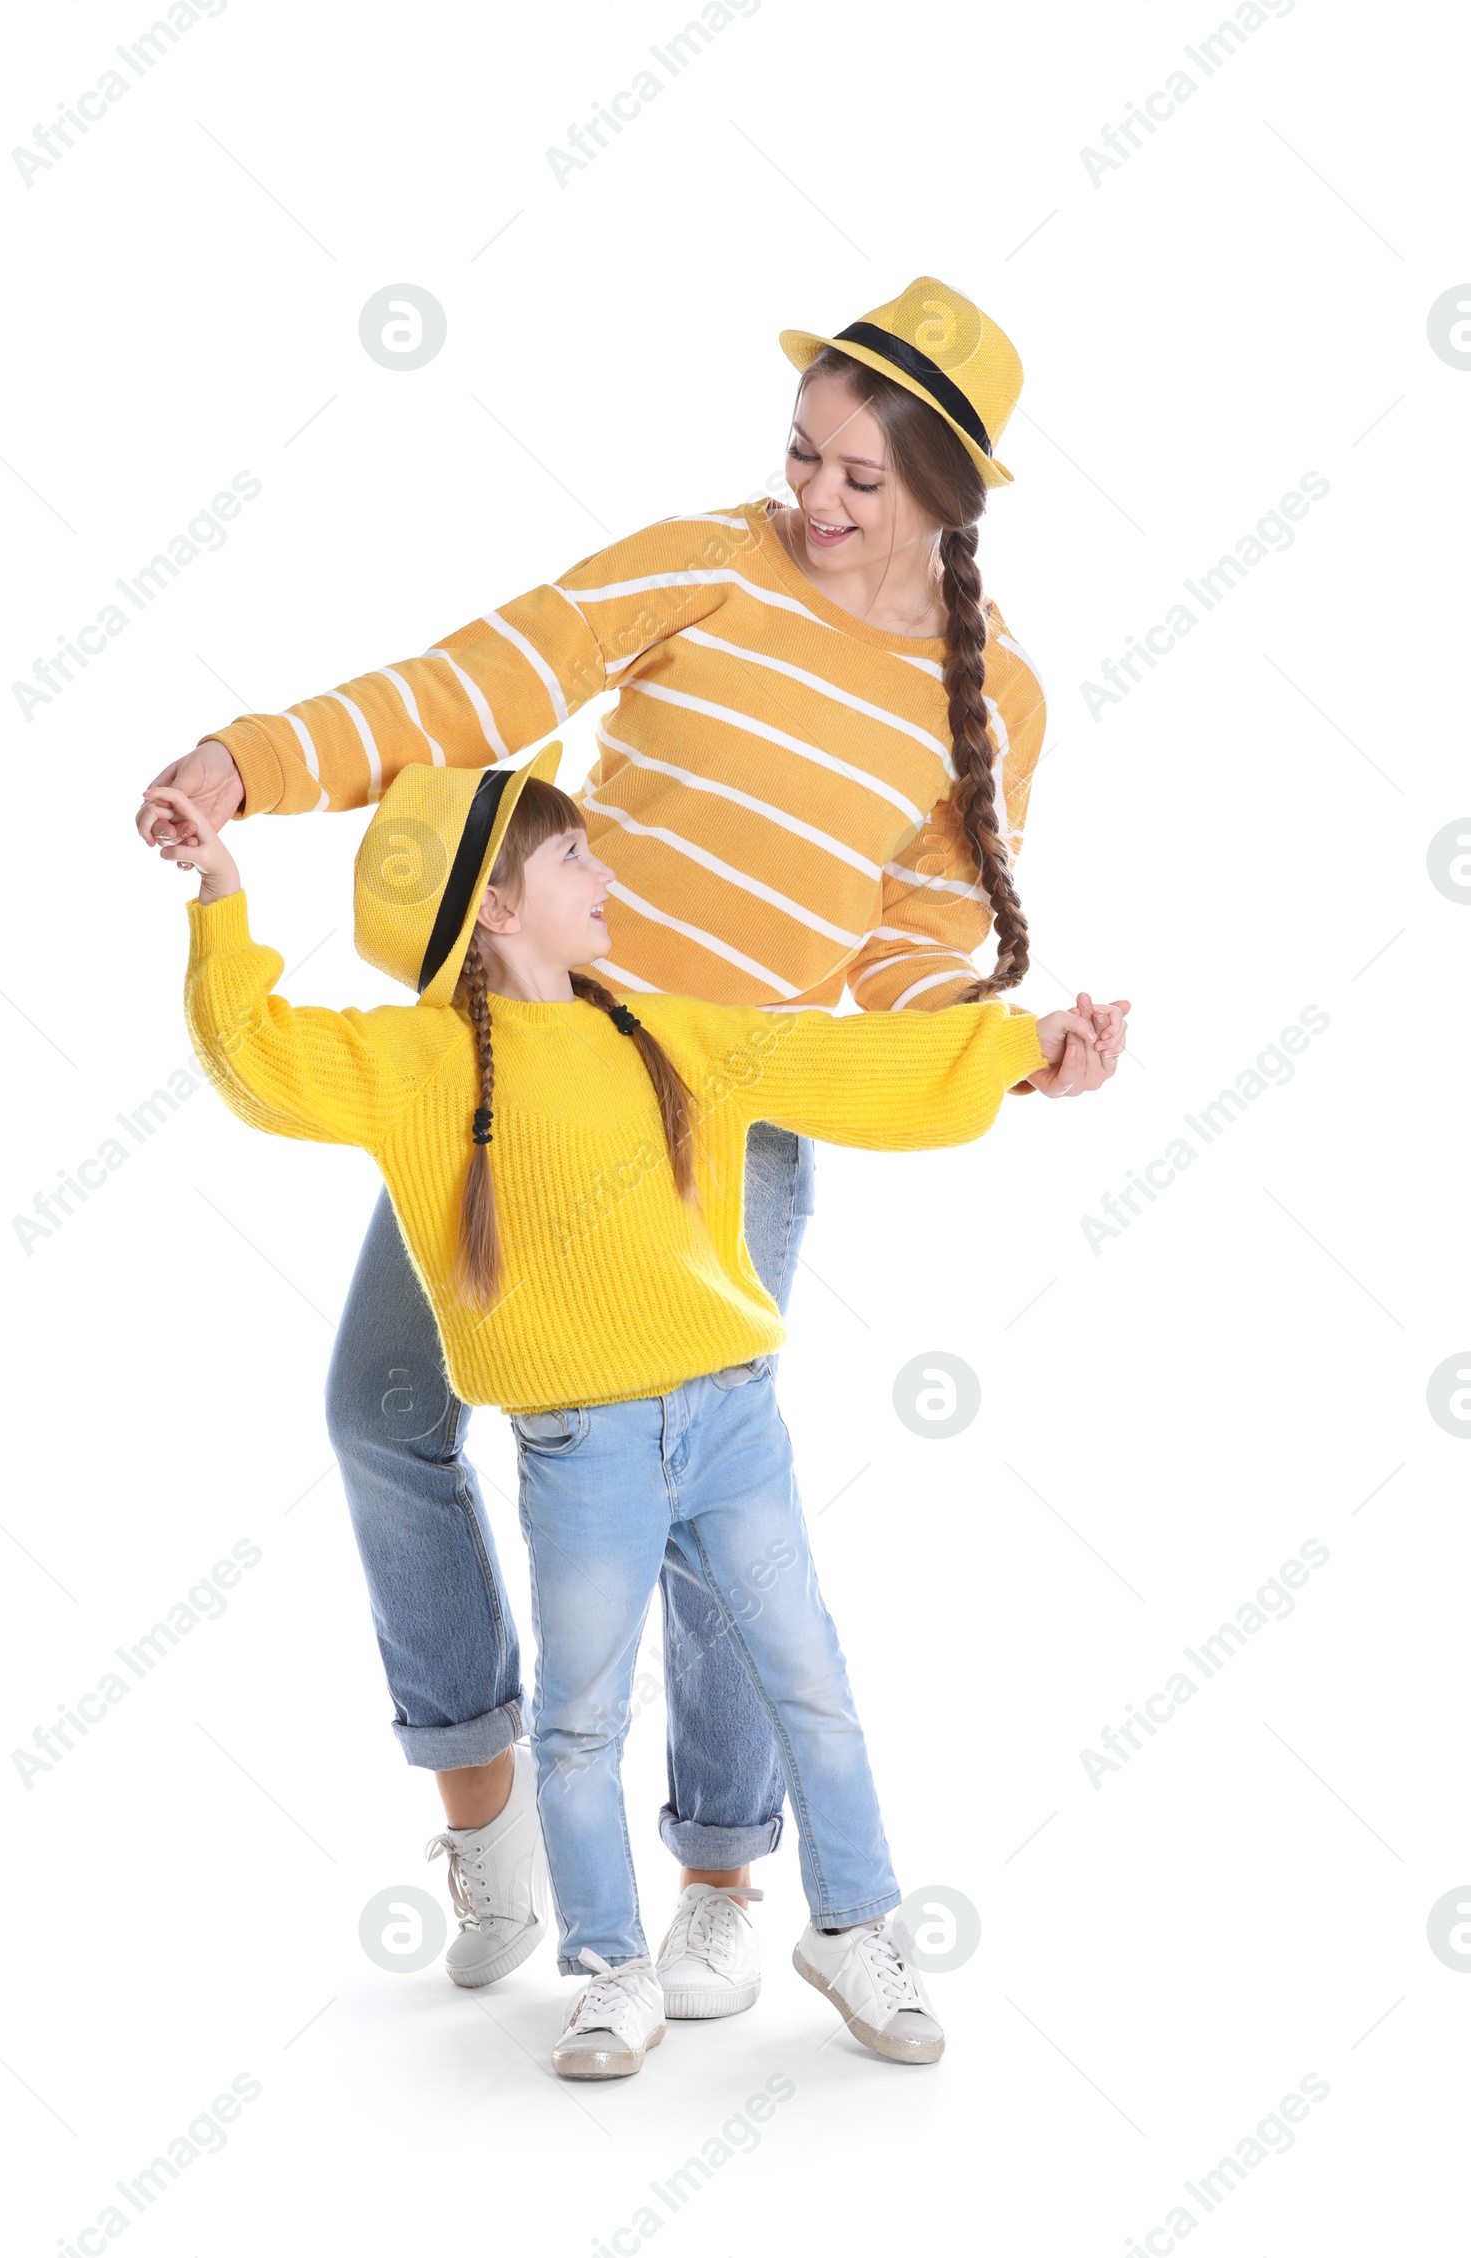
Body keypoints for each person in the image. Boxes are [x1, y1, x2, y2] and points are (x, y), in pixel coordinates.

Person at [135, 274, 1130, 2012]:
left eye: (860, 481)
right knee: (382, 1408)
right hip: (517, 1074)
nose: (814, 500)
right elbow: (475, 689)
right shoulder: (704, 562)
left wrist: (1007, 1049)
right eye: (803, 454)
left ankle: (729, 1882)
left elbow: (904, 948)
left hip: (724, 1114)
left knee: (704, 1515)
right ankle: (496, 1820)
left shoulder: (996, 697)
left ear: (945, 499)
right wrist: (250, 762)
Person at [149, 744, 1125, 2076]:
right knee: (581, 1723)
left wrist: (1024, 1047)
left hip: (731, 1426)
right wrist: (217, 892)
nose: (605, 872)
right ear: (494, 906)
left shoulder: (668, 1030)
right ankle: (609, 1968)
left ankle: (854, 1922)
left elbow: (856, 1071)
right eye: (572, 858)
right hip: (583, 1450)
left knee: (813, 1687)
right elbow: (258, 1060)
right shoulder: (421, 1067)